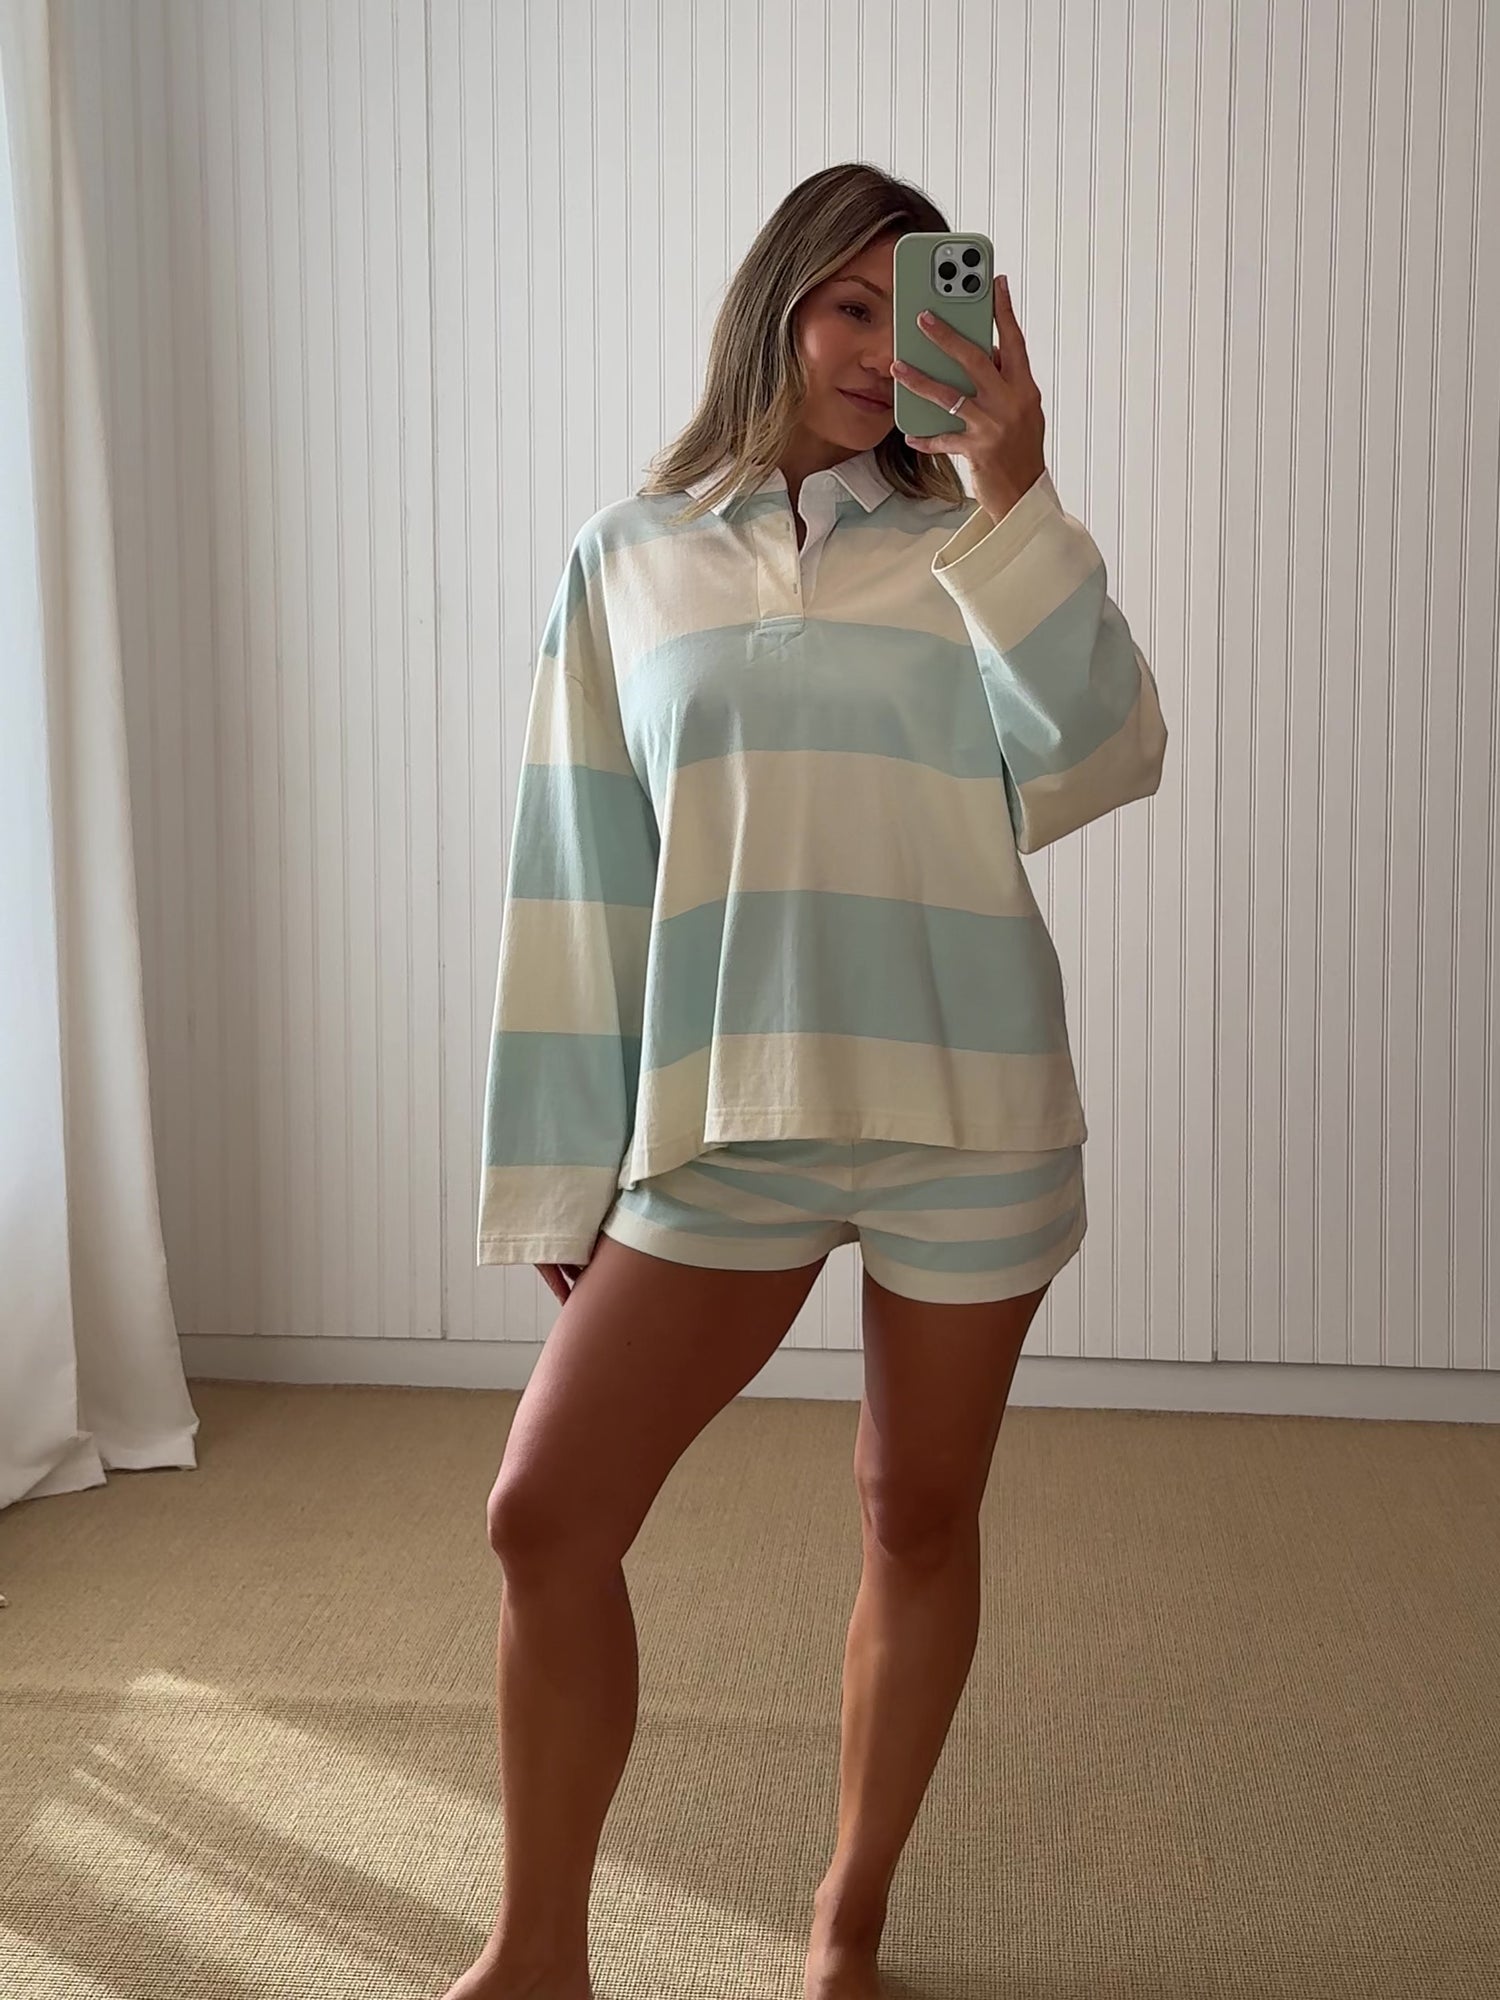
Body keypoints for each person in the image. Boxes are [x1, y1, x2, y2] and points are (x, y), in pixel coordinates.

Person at [444, 163, 1168, 2000]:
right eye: (848, 304)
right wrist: (565, 1166)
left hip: (968, 1108)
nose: (877, 347)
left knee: (915, 1512)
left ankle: (847, 1923)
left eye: (918, 307)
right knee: (544, 1517)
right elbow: (578, 873)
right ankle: (537, 1954)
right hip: (723, 1114)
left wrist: (1015, 489)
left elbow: (1105, 757)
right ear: (775, 308)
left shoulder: (979, 545)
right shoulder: (628, 558)